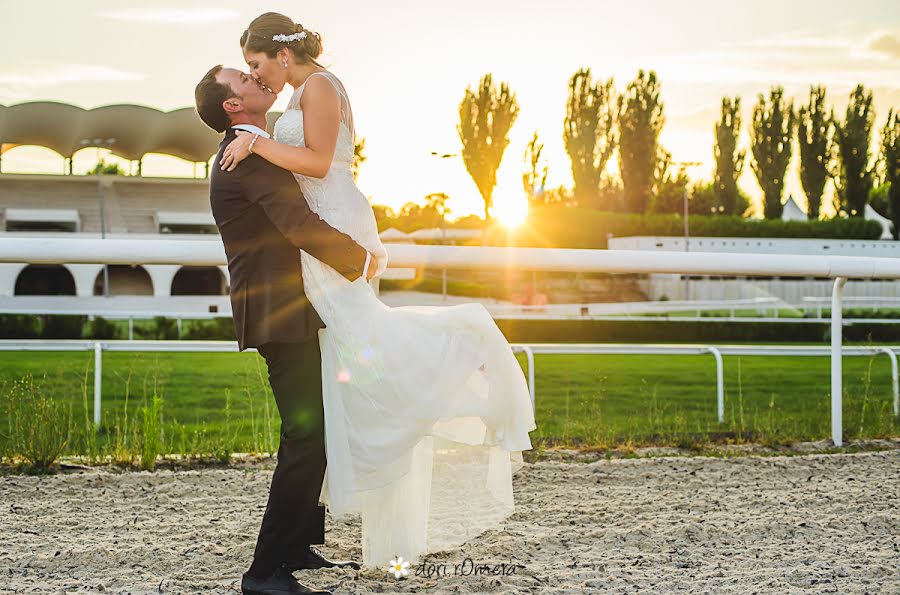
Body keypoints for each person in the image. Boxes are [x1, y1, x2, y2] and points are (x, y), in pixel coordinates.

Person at [221, 10, 536, 572]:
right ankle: (294, 543)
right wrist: (257, 138)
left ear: (283, 54)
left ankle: (462, 362)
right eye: (246, 70)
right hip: (319, 244)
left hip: (332, 227)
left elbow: (316, 162)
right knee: (336, 390)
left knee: (357, 365)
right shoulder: (288, 105)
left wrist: (258, 142)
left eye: (255, 63)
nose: (257, 75)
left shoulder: (314, 87)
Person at [195, 64, 375, 595]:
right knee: (307, 435)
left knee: (307, 428)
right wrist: (362, 258)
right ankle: (265, 571)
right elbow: (298, 224)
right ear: (233, 106)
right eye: (244, 80)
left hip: (290, 308)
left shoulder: (255, 146)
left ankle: (298, 545)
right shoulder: (243, 156)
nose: (256, 80)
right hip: (279, 312)